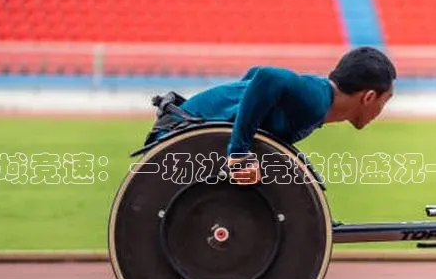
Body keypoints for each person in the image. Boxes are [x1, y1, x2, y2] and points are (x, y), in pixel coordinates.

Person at [147, 46, 396, 183]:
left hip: (180, 132)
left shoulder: (318, 96)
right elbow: (268, 76)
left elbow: (253, 75)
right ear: (368, 97)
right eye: (385, 101)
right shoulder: (316, 100)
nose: (380, 111)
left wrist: (238, 112)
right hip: (175, 140)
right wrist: (239, 153)